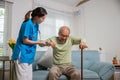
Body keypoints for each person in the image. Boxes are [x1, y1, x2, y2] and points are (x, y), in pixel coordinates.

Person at [12, 7, 47, 80]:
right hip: (23, 54)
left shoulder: (36, 25)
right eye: (43, 18)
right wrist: (39, 42)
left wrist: (42, 43)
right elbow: (25, 40)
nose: (43, 20)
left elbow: (33, 39)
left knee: (28, 78)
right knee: (22, 78)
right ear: (37, 17)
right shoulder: (27, 24)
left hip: (29, 55)